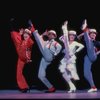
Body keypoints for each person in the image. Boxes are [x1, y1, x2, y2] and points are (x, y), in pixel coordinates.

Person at [29, 21, 62, 93]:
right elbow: (39, 41)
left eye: (52, 34)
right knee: (40, 76)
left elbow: (60, 47)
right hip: (44, 58)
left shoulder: (55, 43)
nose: (50, 35)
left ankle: (33, 29)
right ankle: (51, 88)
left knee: (43, 46)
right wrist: (43, 35)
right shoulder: (46, 42)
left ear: (54, 36)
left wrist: (55, 54)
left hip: (49, 55)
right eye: (49, 34)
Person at [59, 21, 84, 93]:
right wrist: (64, 36)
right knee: (63, 73)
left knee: (70, 73)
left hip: (70, 57)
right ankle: (71, 86)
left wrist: (75, 52)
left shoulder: (75, 42)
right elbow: (61, 38)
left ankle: (64, 28)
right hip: (65, 57)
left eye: (73, 36)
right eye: (71, 35)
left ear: (74, 37)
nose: (72, 36)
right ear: (69, 36)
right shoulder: (66, 41)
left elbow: (82, 46)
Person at [11, 28, 34, 93]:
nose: (25, 35)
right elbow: (17, 42)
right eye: (24, 34)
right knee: (18, 73)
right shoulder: (22, 41)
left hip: (27, 59)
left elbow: (31, 42)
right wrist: (20, 34)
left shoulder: (30, 41)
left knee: (28, 73)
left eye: (27, 34)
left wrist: (30, 30)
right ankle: (24, 87)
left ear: (29, 35)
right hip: (21, 58)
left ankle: (28, 85)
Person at [81, 19, 100, 92]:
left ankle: (85, 28)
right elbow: (78, 37)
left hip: (93, 56)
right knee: (86, 74)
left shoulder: (97, 42)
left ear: (96, 35)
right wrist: (84, 33)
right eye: (91, 33)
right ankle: (93, 87)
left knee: (90, 43)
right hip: (88, 57)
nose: (93, 34)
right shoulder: (87, 40)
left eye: (94, 34)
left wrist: (98, 52)